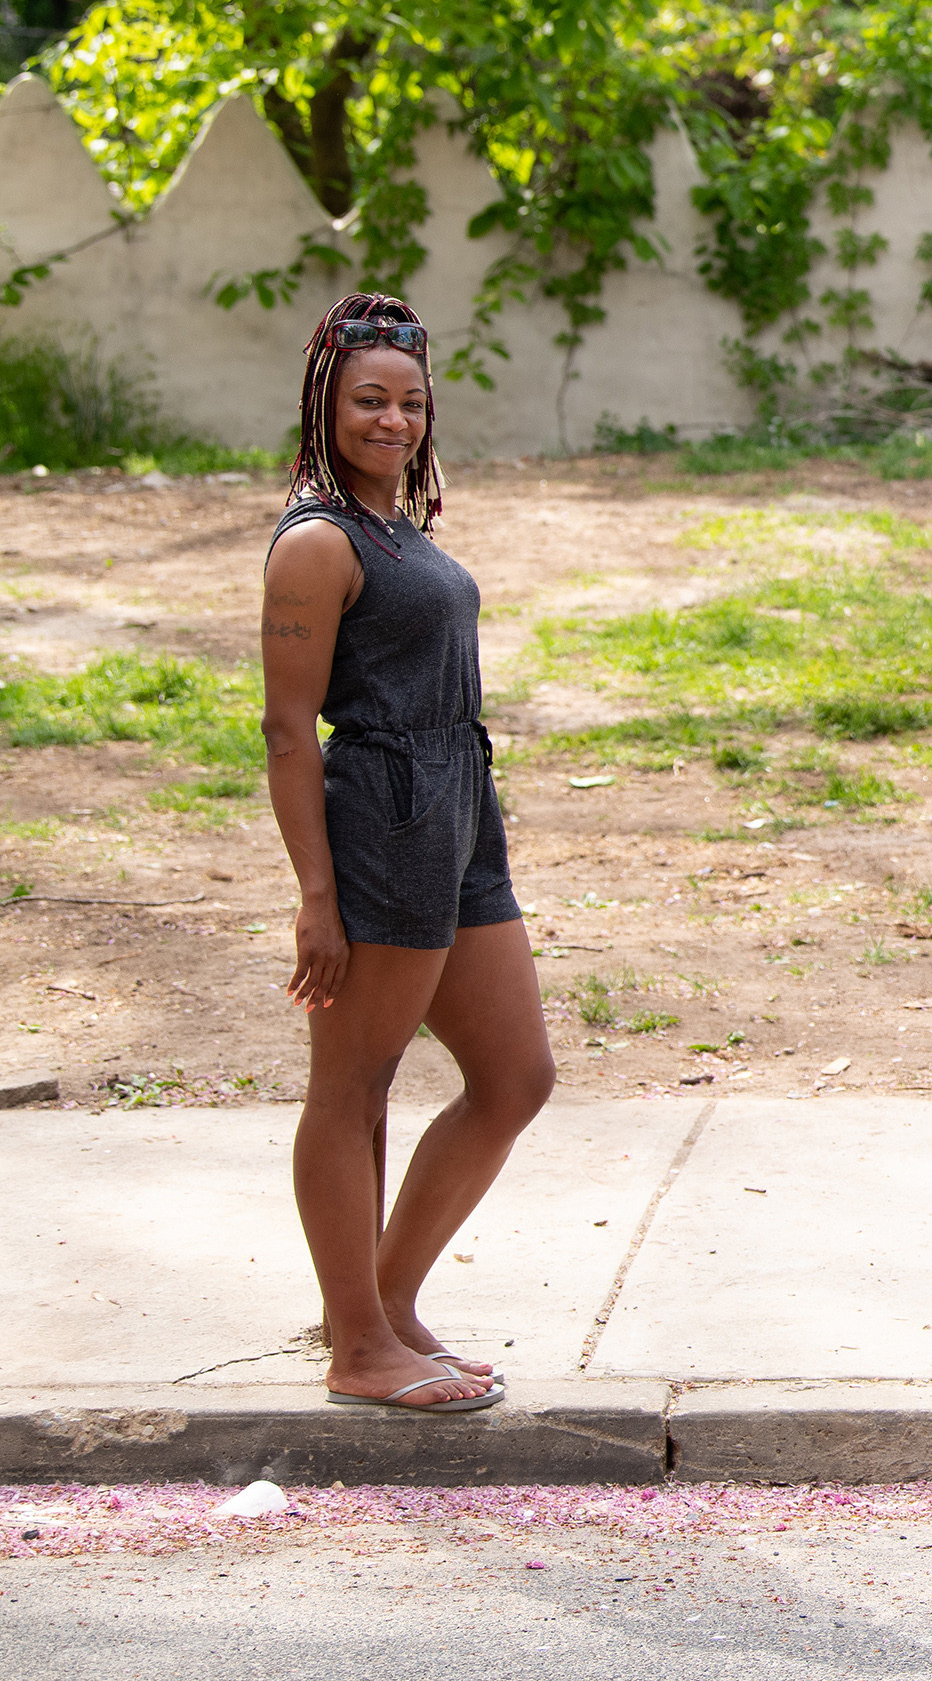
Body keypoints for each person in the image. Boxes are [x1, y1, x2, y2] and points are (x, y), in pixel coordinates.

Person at [259, 294, 554, 1414]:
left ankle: (381, 1303)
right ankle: (358, 1349)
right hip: (384, 812)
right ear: (326, 404)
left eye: (411, 402)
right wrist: (315, 900)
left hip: (458, 805)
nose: (393, 419)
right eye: (369, 399)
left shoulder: (395, 528)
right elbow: (290, 731)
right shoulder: (320, 541)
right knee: (354, 1088)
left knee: (516, 1077)